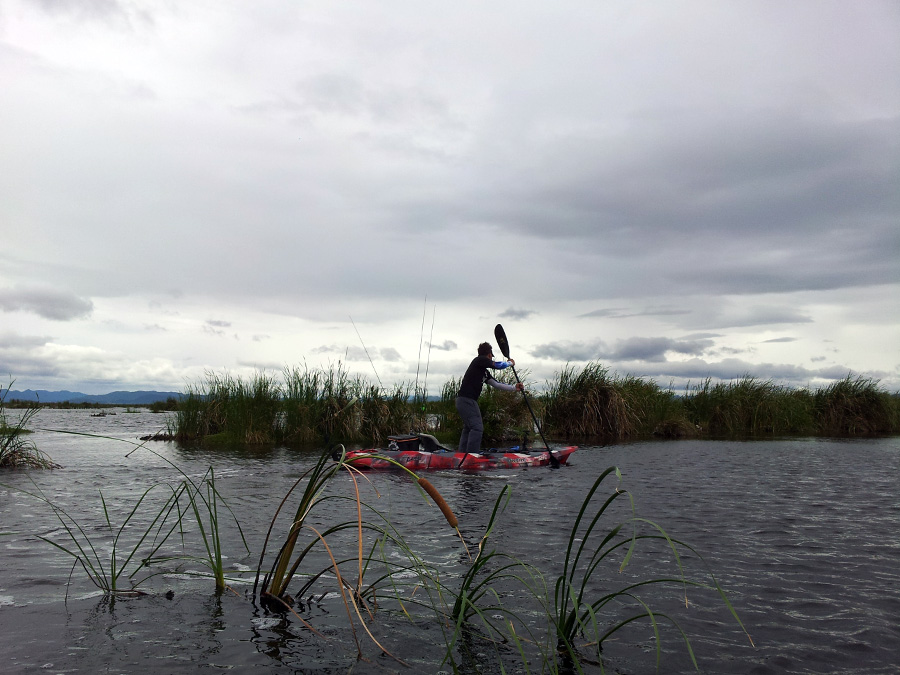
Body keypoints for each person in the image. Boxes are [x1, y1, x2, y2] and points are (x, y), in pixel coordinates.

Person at [456, 341, 524, 454]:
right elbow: (497, 365)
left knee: (469, 428)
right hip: (466, 400)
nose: (491, 358)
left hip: (465, 401)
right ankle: (472, 456)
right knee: (477, 428)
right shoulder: (479, 360)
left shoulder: (483, 371)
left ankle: (462, 454)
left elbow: (497, 384)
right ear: (488, 354)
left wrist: (514, 388)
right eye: (491, 356)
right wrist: (509, 363)